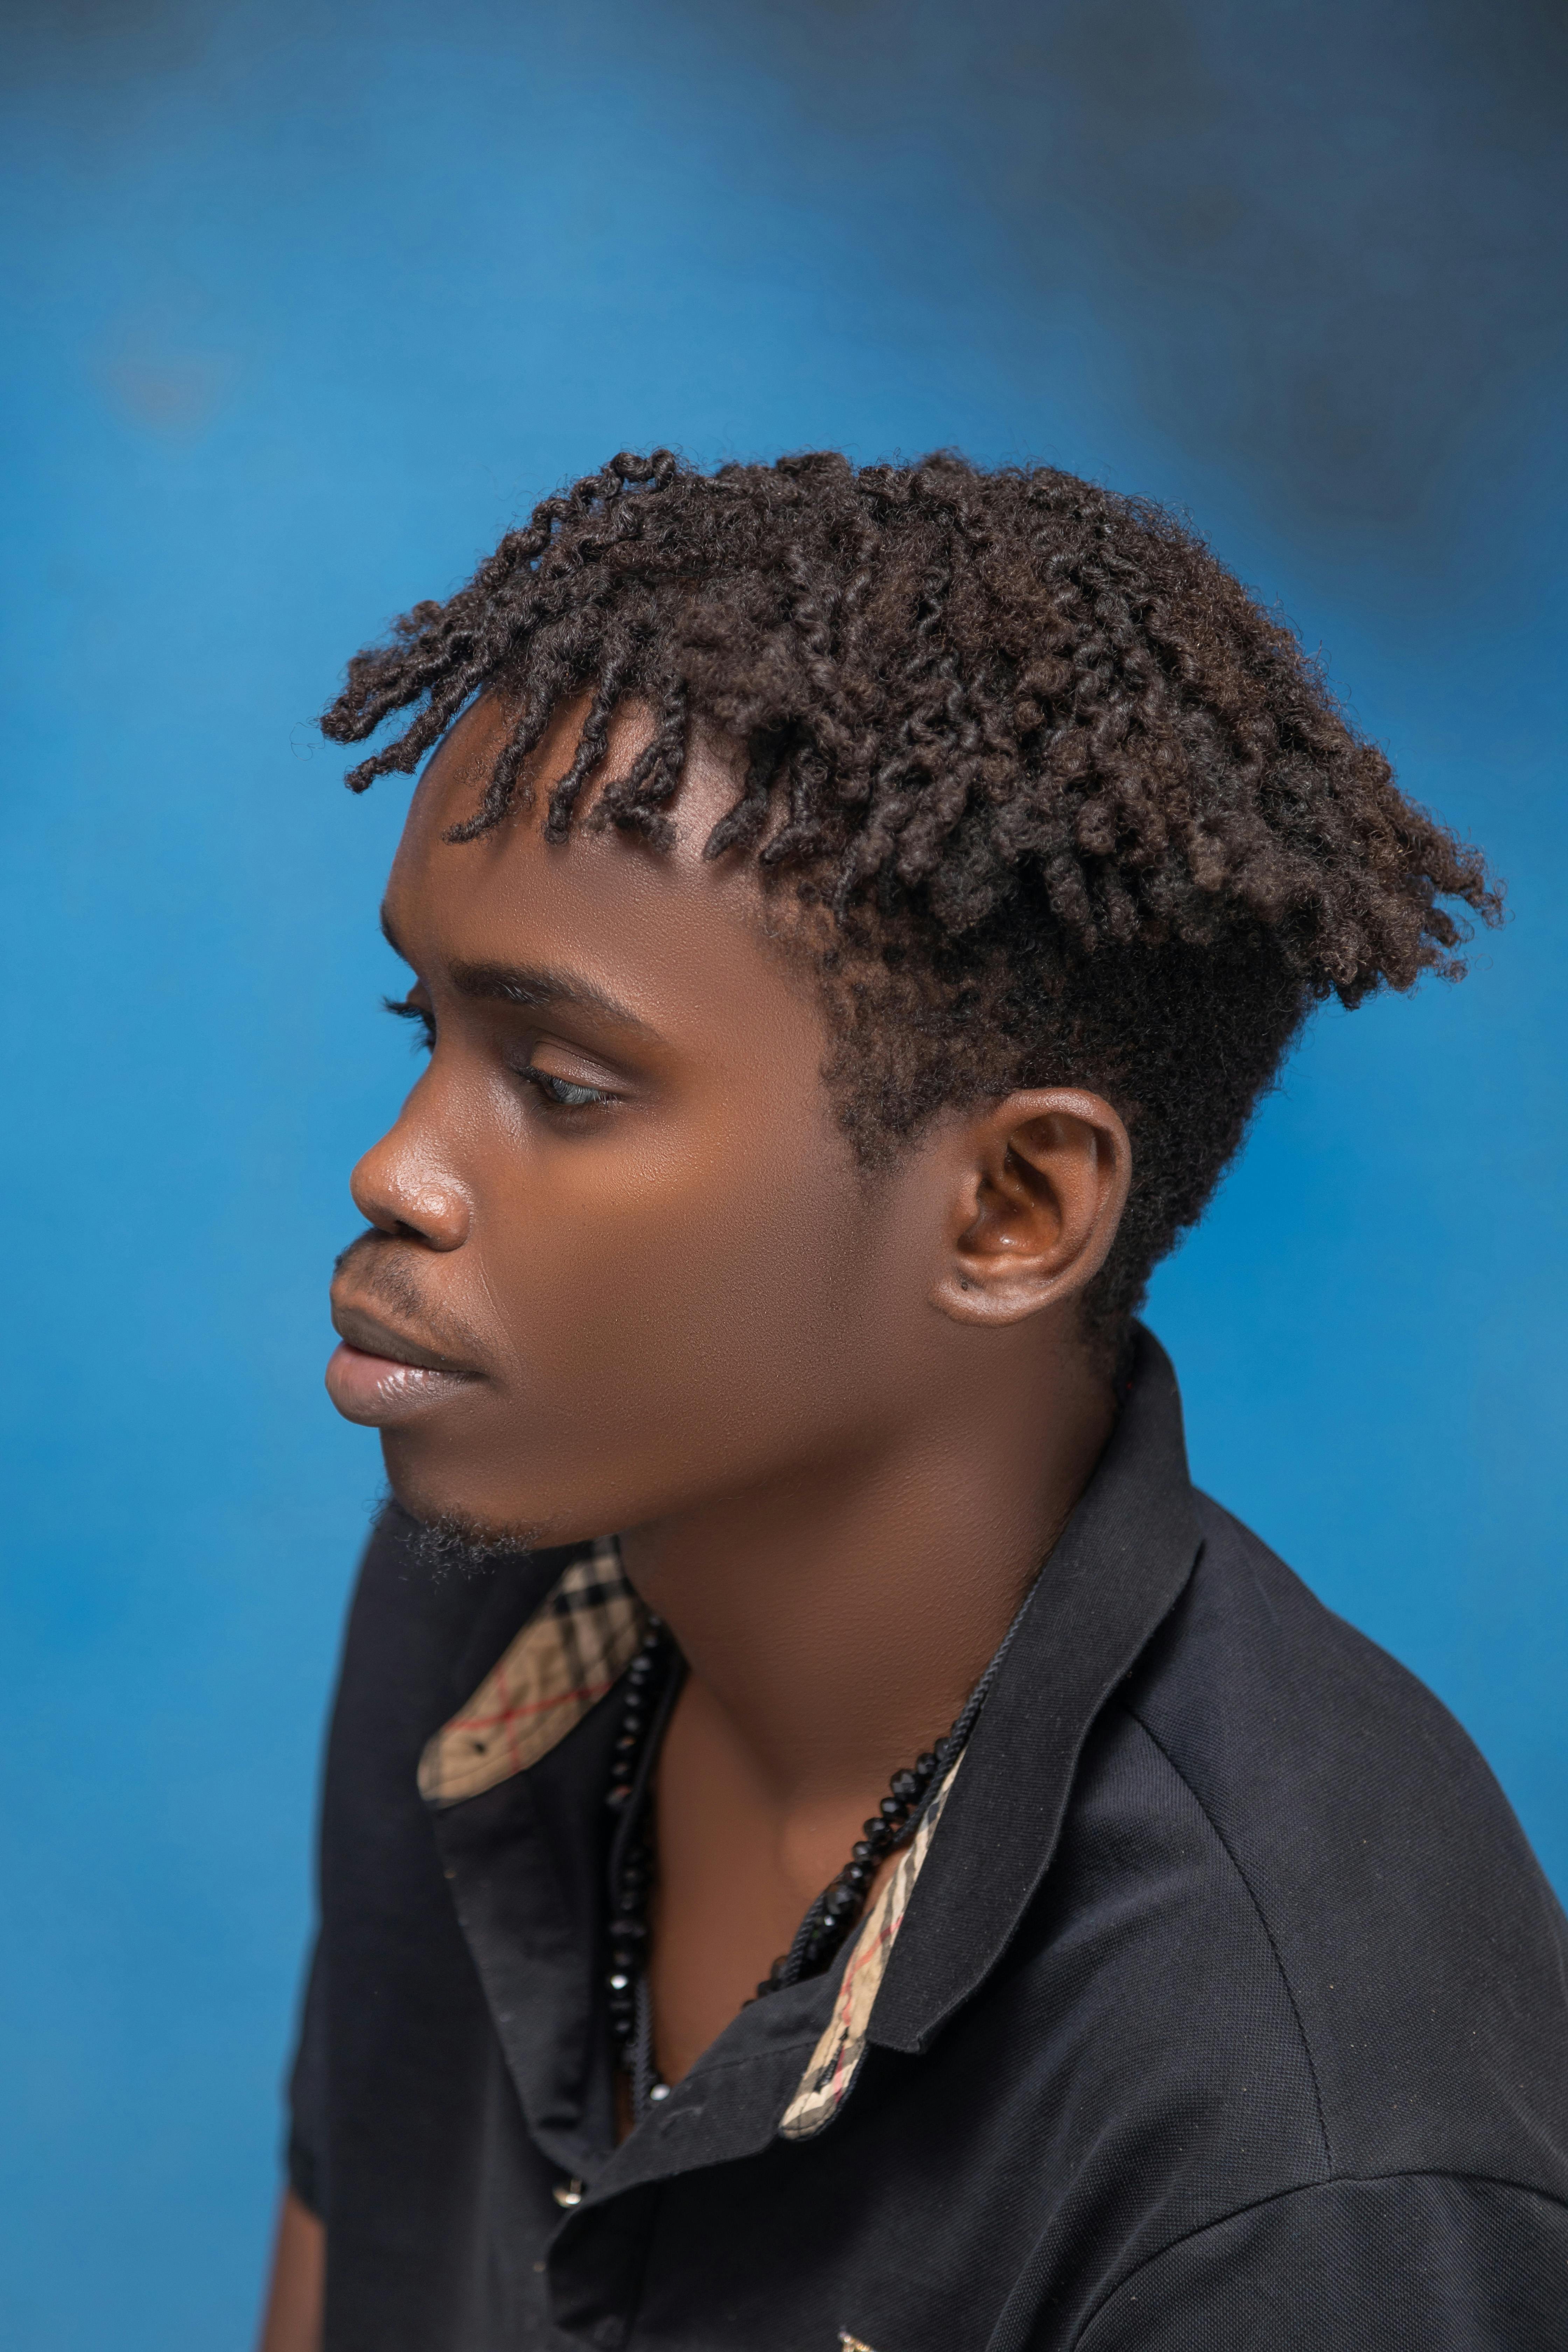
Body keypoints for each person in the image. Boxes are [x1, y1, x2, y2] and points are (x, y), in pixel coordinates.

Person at [257, 452, 1568, 2351]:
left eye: (563, 1081)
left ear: (1012, 1209)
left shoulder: (1312, 2151)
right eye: (425, 1032)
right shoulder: (487, 1601)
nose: (399, 1168)